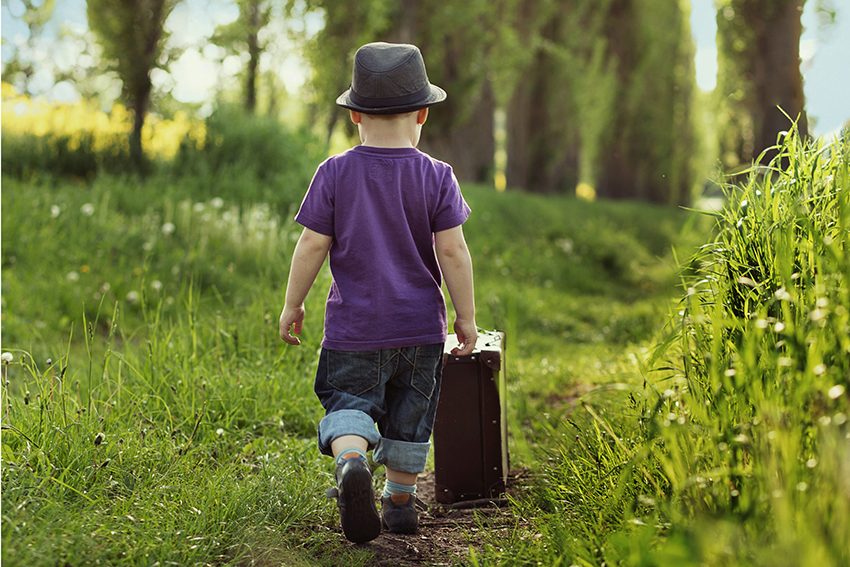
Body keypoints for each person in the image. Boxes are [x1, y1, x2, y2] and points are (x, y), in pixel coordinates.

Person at [278, 42, 477, 544]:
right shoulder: (437, 176)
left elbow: (311, 244)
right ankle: (401, 501)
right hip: (419, 331)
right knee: (411, 415)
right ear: (423, 115)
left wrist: (293, 303)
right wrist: (465, 318)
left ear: (355, 116)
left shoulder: (334, 173)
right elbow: (453, 252)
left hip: (354, 330)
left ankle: (350, 461)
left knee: (348, 400)